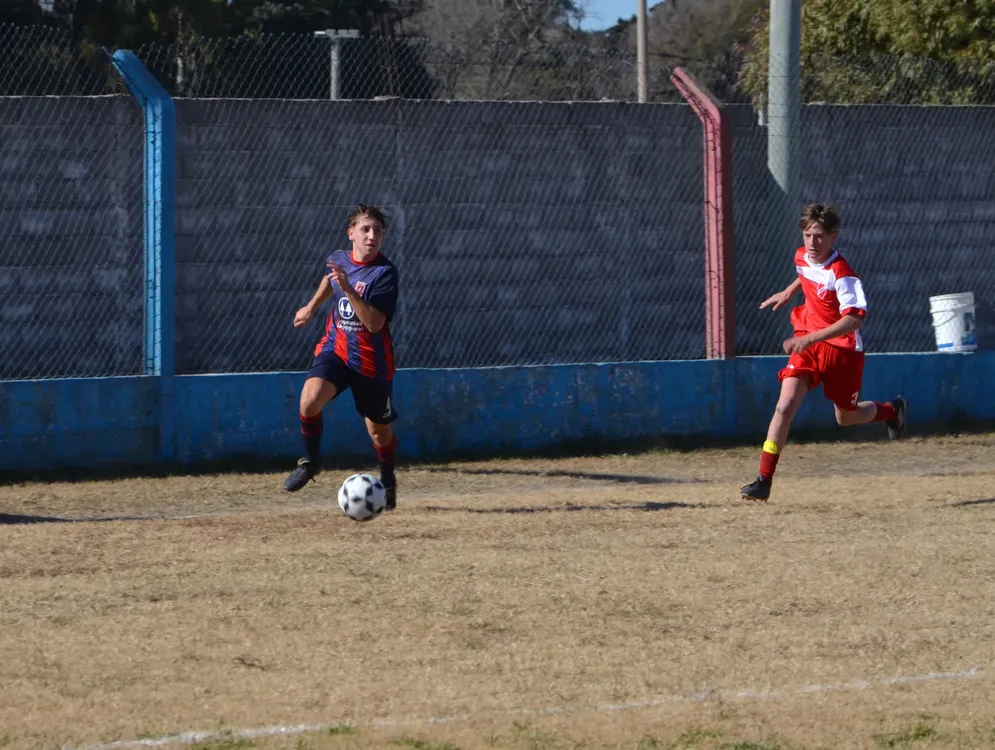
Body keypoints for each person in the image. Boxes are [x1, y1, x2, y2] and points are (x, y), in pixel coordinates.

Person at [741, 203, 907, 502]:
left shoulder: (844, 275)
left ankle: (890, 411)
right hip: (807, 342)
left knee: (846, 417)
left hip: (842, 351)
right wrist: (789, 291)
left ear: (833, 237)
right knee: (785, 406)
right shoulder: (802, 256)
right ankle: (763, 480)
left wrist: (814, 337)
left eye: (819, 236)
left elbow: (854, 319)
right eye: (807, 235)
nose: (812, 243)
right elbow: (806, 272)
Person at [284, 204, 400, 510]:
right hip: (336, 349)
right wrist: (310, 307)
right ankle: (311, 461)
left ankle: (387, 478)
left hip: (372, 363)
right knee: (309, 400)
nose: (372, 235)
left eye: (378, 230)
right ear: (351, 234)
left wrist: (349, 289)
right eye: (365, 229)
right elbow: (329, 279)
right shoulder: (338, 259)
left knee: (378, 432)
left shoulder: (384, 274)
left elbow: (374, 324)